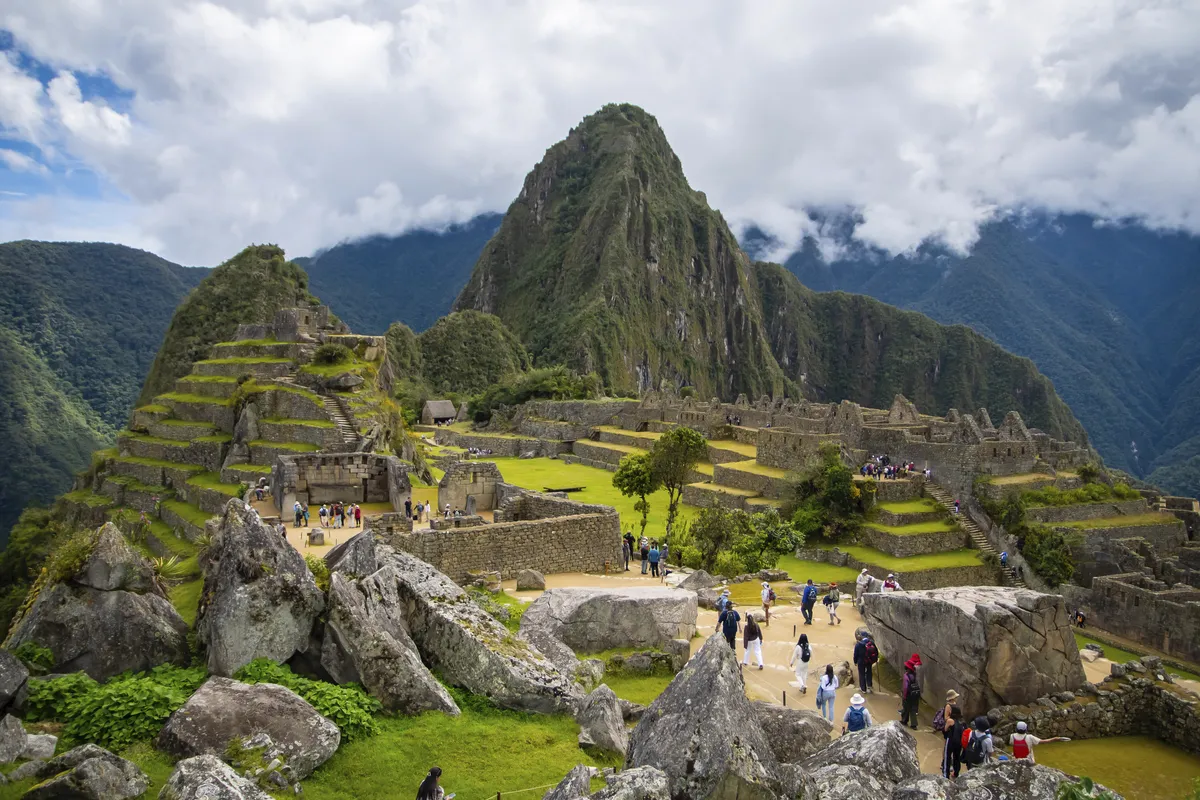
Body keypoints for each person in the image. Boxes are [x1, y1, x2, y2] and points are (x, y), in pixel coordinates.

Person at [900, 654, 922, 729]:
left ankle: (904, 720)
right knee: (912, 709)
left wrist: (904, 695)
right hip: (914, 694)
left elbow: (905, 687)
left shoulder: (906, 676)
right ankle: (914, 724)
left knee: (906, 707)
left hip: (908, 694)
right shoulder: (914, 674)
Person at [943, 706, 964, 778]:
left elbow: (945, 730)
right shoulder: (962, 722)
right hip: (959, 742)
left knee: (947, 757)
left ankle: (946, 775)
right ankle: (956, 773)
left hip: (951, 740)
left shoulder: (950, 721)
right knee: (957, 757)